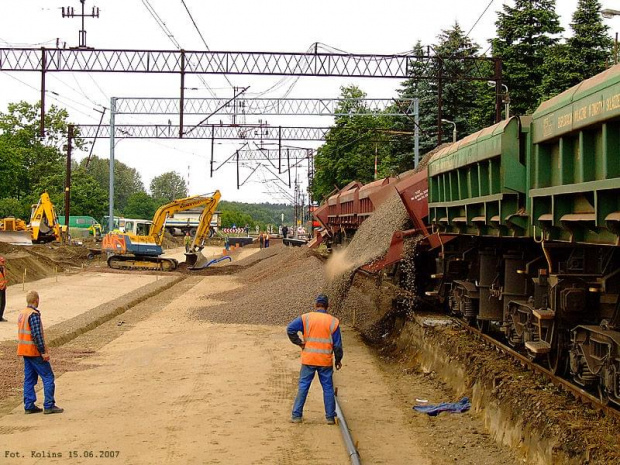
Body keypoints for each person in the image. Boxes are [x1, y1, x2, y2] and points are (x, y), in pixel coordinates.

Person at [287, 294, 343, 425]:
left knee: (303, 386)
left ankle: (296, 415)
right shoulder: (333, 321)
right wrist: (338, 360)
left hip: (309, 359)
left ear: (316, 305)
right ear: (327, 306)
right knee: (328, 388)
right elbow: (338, 345)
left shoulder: (306, 318)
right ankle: (330, 417)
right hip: (324, 360)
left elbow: (290, 329)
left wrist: (300, 343)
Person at [17, 290, 63, 414]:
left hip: (24, 351)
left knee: (29, 379)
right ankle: (49, 405)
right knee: (48, 377)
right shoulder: (33, 314)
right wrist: (43, 352)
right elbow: (37, 335)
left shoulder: (22, 313)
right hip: (34, 351)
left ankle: (29, 405)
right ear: (36, 300)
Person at [0, 256, 7, 322]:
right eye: (2, 261)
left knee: (3, 303)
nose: (3, 263)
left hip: (3, 288)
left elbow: (4, 278)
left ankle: (0, 317)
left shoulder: (3, 268)